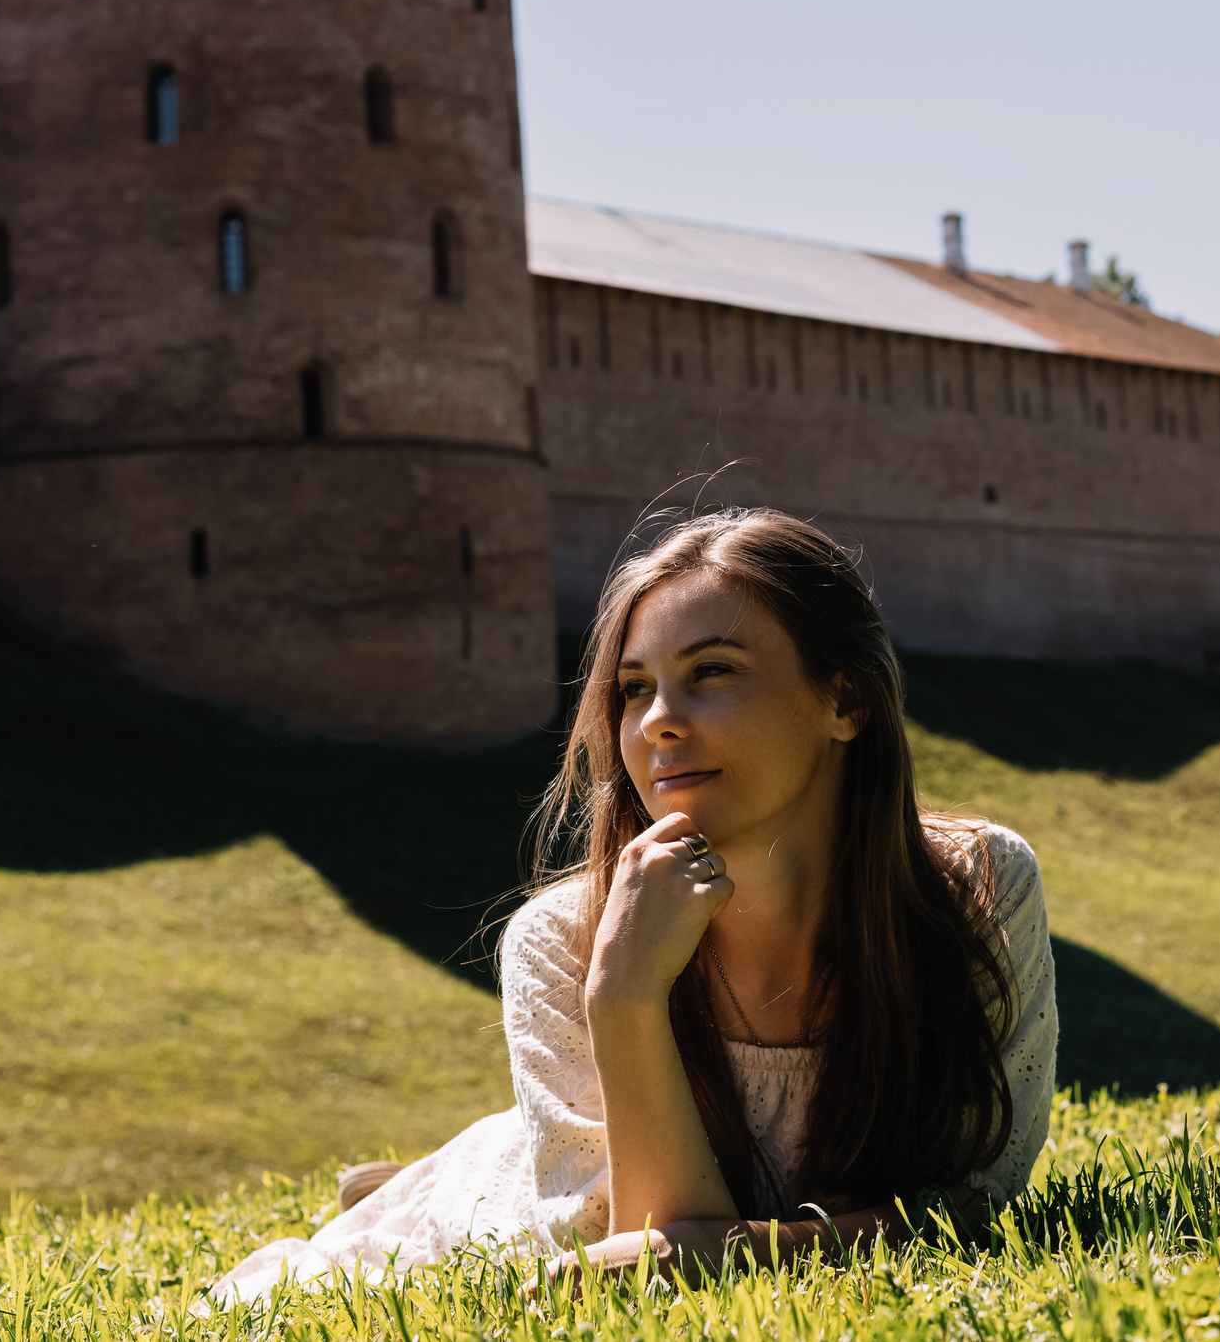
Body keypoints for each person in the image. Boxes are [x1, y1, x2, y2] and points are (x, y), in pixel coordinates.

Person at [209, 509, 1057, 1304]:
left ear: (845, 701)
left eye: (711, 672)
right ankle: (418, 1181)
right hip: (517, 1219)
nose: (657, 722)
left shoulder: (978, 887)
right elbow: (633, 1255)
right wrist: (624, 995)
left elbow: (974, 1199)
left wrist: (730, 1247)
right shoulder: (562, 939)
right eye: (633, 688)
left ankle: (414, 1165)